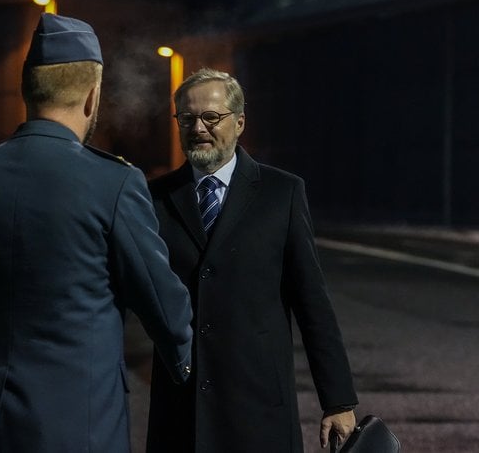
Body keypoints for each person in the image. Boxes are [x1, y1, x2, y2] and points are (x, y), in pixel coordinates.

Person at [0, 13, 193, 453]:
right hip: (81, 427)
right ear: (92, 97)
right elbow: (165, 309)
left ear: (27, 91)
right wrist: (187, 363)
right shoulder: (114, 183)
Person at [146, 68, 358, 453]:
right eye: (187, 118)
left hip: (259, 407)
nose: (198, 128)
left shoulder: (282, 193)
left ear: (240, 122)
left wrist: (338, 400)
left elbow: (312, 303)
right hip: (180, 409)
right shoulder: (153, 198)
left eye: (211, 117)